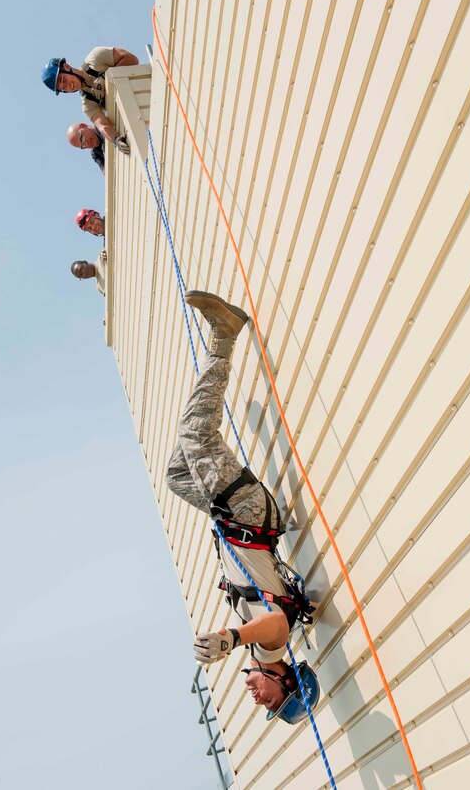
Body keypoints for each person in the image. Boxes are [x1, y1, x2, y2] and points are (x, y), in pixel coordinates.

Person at [165, 291, 319, 723]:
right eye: (271, 699)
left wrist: (236, 641)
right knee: (196, 438)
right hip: (246, 516)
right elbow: (276, 626)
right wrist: (228, 639)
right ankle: (224, 336)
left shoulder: (258, 646)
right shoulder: (271, 642)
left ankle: (210, 377)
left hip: (236, 521)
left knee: (178, 476)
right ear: (286, 679)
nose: (257, 699)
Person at [42, 47, 139, 154]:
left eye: (63, 80)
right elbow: (103, 126)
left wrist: (107, 77)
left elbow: (132, 59)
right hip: (136, 112)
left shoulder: (95, 58)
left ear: (66, 66)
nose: (67, 86)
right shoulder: (87, 103)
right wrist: (116, 140)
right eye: (63, 89)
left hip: (144, 88)